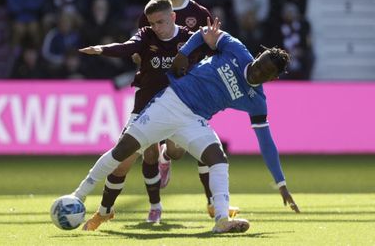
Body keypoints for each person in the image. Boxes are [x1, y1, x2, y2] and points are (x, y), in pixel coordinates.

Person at [72, 16, 300, 234]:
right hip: (171, 103)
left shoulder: (257, 101)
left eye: (264, 73)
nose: (257, 70)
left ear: (272, 79)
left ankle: (221, 219)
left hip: (194, 120)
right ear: (257, 56)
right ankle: (79, 195)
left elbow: (266, 142)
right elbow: (204, 34)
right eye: (259, 64)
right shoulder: (237, 50)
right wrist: (183, 53)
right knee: (122, 151)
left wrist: (280, 182)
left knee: (217, 158)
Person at [76, 0, 210, 230]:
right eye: (152, 23)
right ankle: (105, 211)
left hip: (177, 110)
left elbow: (214, 57)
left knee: (178, 153)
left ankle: (167, 158)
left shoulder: (190, 40)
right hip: (145, 108)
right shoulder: (146, 35)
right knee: (122, 162)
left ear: (173, 17)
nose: (156, 27)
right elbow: (126, 47)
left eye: (161, 22)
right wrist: (100, 49)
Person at [138, 0, 240, 220]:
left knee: (179, 151)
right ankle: (156, 207)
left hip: (187, 95)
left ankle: (170, 160)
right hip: (154, 90)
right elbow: (139, 49)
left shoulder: (200, 13)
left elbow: (210, 50)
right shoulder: (151, 12)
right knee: (148, 152)